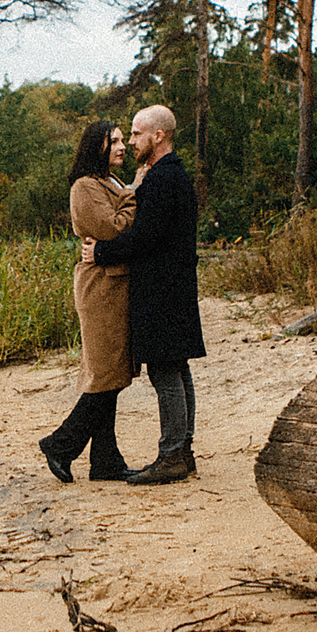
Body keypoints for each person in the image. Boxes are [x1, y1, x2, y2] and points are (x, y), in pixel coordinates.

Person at [81, 104, 205, 484]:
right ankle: (182, 451)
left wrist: (100, 252)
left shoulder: (164, 180)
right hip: (174, 286)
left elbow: (145, 236)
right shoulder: (169, 176)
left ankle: (172, 456)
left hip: (162, 290)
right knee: (177, 370)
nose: (131, 141)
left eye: (136, 134)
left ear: (158, 136)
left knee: (166, 372)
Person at [36, 120, 135, 483]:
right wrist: (134, 195)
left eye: (124, 140)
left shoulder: (114, 182)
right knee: (106, 373)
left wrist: (128, 192)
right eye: (115, 141)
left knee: (113, 373)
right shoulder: (85, 187)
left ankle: (105, 460)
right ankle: (61, 444)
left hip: (116, 285)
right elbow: (113, 228)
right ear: (98, 147)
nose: (123, 146)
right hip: (99, 290)